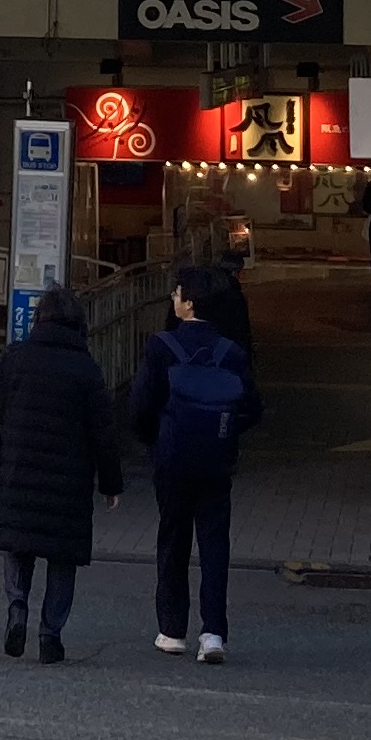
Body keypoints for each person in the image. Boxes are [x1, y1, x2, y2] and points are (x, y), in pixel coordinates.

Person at [129, 266, 264, 663]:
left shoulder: (161, 347)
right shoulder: (231, 352)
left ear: (188, 304)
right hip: (216, 463)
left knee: (173, 541)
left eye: (177, 294)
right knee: (214, 546)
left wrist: (155, 438)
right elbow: (252, 408)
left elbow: (141, 406)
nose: (173, 299)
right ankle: (214, 634)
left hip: (172, 461)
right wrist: (224, 431)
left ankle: (172, 630)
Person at [0, 289, 121, 662]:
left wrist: (2, 427)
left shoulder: (16, 357)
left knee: (18, 543)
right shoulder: (86, 369)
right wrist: (110, 483)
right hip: (69, 482)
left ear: (39, 319)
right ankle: (50, 635)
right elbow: (103, 432)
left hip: (18, 468)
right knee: (62, 558)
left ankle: (17, 607)